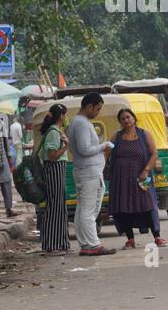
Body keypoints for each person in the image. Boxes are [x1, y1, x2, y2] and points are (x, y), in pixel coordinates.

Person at [108, 107, 165, 249]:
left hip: (141, 178)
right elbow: (107, 153)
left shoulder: (145, 134)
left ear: (133, 118)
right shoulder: (116, 136)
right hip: (121, 180)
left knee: (148, 205)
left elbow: (154, 154)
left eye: (128, 117)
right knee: (124, 208)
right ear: (120, 122)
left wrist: (146, 170)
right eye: (122, 119)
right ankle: (130, 239)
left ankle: (157, 236)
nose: (126, 120)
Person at [69, 92, 115, 256]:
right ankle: (93, 244)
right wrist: (103, 146)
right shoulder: (81, 123)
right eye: (98, 109)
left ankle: (85, 243)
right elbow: (84, 149)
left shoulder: (78, 122)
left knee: (83, 210)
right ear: (89, 106)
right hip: (88, 173)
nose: (98, 112)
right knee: (89, 210)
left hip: (86, 171)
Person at [37, 103, 70, 256]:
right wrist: (65, 146)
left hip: (57, 171)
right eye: (65, 115)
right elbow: (52, 155)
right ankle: (52, 243)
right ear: (61, 116)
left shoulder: (56, 131)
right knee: (55, 207)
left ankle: (60, 242)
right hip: (54, 170)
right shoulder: (53, 133)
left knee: (58, 207)